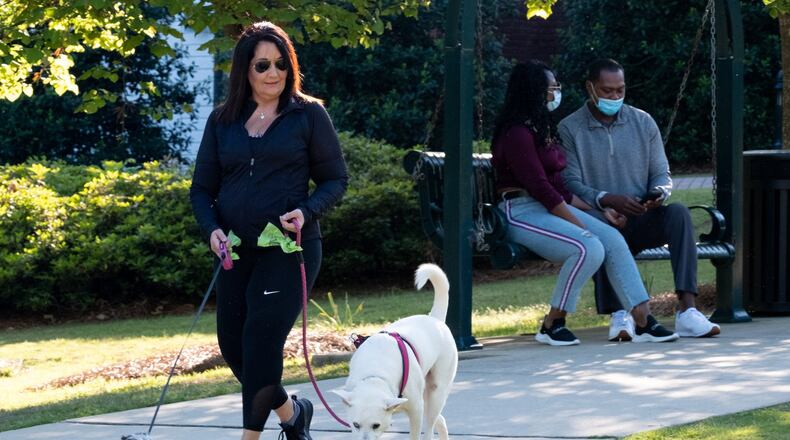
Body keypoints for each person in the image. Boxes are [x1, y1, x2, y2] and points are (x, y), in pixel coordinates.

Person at [189, 21, 348, 440]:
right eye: (262, 65)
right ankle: (292, 414)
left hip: (289, 249)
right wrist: (212, 231)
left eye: (281, 64)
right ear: (245, 70)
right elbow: (202, 190)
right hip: (235, 251)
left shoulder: (308, 115)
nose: (273, 73)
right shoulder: (222, 121)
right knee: (233, 347)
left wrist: (307, 211)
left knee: (260, 341)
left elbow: (335, 180)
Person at [491, 60, 678, 347]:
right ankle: (553, 323)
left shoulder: (540, 128)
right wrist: (581, 224)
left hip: (547, 207)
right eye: (551, 88)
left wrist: (597, 212)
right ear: (534, 90)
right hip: (519, 211)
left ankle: (643, 319)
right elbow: (540, 188)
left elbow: (558, 188)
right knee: (588, 246)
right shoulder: (516, 133)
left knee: (612, 238)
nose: (556, 92)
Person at [558, 58, 720, 342]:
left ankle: (688, 311)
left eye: (620, 90)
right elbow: (570, 183)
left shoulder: (643, 122)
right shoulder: (569, 128)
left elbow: (661, 172)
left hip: (642, 214)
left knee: (679, 213)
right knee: (602, 231)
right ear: (590, 88)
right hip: (602, 216)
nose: (614, 97)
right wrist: (607, 200)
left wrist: (658, 194)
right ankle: (619, 313)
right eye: (607, 91)